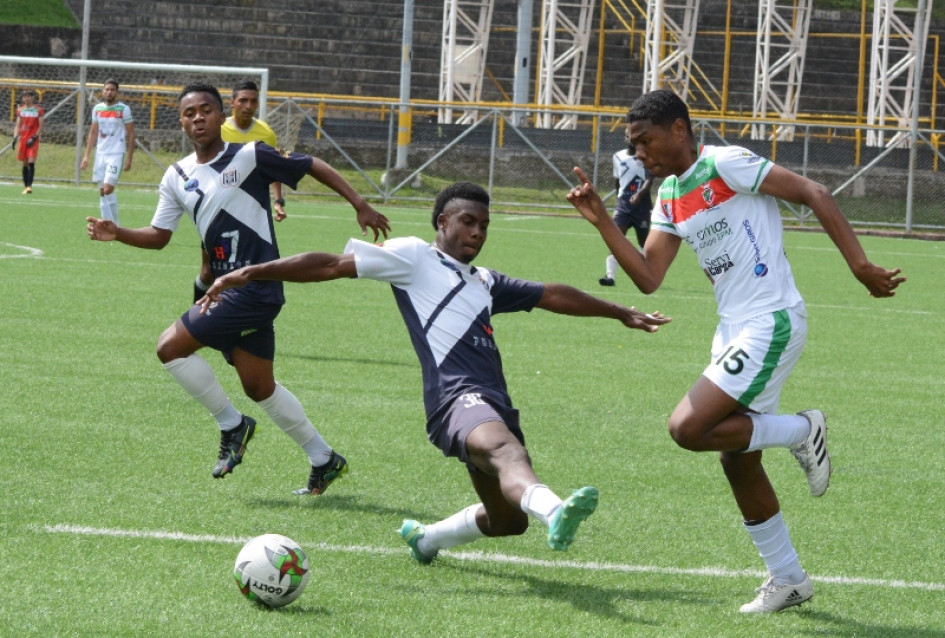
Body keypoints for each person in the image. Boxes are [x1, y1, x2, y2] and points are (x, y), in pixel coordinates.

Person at [198, 181, 670, 561]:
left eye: (484, 225)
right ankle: (556, 510)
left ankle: (426, 539)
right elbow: (330, 265)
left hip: (490, 401)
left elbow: (552, 294)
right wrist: (250, 273)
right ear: (443, 222)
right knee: (507, 452)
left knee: (507, 522)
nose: (478, 233)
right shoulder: (414, 257)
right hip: (454, 399)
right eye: (468, 222)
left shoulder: (486, 283)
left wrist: (618, 311)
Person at [566, 89, 906, 613]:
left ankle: (802, 428)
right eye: (633, 145)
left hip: (769, 321)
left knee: (685, 428)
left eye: (644, 140)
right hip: (732, 330)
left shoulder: (726, 164)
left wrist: (859, 266)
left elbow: (814, 191)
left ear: (679, 129)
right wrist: (602, 221)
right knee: (735, 457)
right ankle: (788, 578)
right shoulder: (669, 195)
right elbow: (649, 277)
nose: (639, 154)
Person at [86, 80, 391, 495]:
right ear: (181, 122)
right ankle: (324, 459)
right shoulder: (176, 176)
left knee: (169, 348)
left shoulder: (250, 156)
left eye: (206, 110)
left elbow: (311, 164)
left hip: (255, 287)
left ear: (220, 115)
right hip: (224, 289)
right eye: (190, 113)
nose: (198, 118)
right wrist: (117, 232)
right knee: (258, 385)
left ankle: (233, 425)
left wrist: (359, 202)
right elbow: (159, 236)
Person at [190, 79, 288, 303]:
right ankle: (197, 313)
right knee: (209, 271)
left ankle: (242, 320)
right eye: (243, 100)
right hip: (219, 211)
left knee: (248, 269)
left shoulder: (265, 133)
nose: (248, 106)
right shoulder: (219, 129)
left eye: (253, 101)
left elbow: (274, 169)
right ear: (232, 102)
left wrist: (278, 201)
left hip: (253, 212)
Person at [599, 130, 653, 286]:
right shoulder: (617, 156)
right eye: (627, 136)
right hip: (623, 205)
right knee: (616, 239)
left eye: (633, 136)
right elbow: (617, 180)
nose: (630, 138)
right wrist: (619, 198)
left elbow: (650, 179)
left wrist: (639, 195)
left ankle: (647, 275)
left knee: (644, 243)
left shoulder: (645, 156)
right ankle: (610, 277)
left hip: (642, 207)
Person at [81, 79, 136, 226]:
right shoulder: (97, 109)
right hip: (100, 154)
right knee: (101, 191)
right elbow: (93, 132)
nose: (109, 92)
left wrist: (129, 158)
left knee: (108, 189)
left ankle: (116, 225)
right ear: (103, 91)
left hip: (116, 154)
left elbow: (131, 134)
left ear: (117, 92)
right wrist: (86, 156)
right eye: (107, 89)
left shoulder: (123, 109)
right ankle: (106, 225)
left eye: (112, 89)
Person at [13, 89, 44, 195]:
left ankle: (30, 186)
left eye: (29, 96)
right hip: (23, 139)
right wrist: (15, 137)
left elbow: (41, 126)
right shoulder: (20, 110)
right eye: (25, 96)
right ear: (22, 98)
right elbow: (18, 124)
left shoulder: (38, 110)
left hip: (33, 140)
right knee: (25, 163)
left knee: (31, 161)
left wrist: (35, 137)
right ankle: (26, 186)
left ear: (33, 97)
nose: (27, 98)